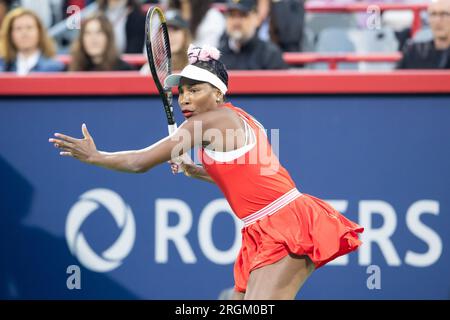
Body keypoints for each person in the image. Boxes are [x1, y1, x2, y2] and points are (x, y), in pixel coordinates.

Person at [49, 44, 363, 299]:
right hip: (265, 225)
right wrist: (195, 169)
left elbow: (139, 162)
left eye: (195, 90)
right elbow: (247, 176)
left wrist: (96, 156)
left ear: (217, 93)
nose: (185, 98)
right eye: (181, 92)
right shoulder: (241, 118)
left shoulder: (204, 122)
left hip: (284, 226)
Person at [219, 0, 287, 70]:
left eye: (243, 15)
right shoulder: (220, 55)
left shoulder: (270, 54)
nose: (236, 22)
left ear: (256, 18)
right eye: (232, 16)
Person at [0, 7, 64, 74]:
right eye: (18, 28)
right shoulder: (2, 66)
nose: (24, 33)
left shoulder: (54, 67)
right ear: (10, 34)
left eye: (29, 27)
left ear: (39, 32)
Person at [397, 0, 450, 69]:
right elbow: (396, 77)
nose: (437, 20)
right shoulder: (414, 52)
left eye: (444, 14)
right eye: (433, 14)